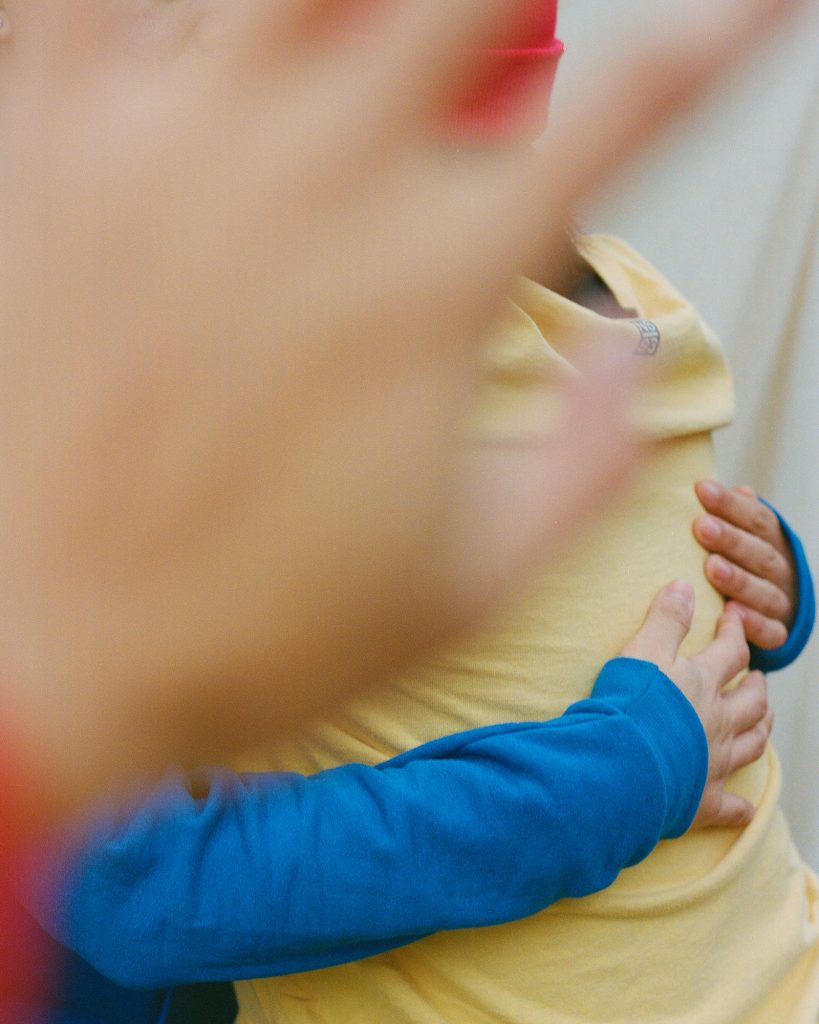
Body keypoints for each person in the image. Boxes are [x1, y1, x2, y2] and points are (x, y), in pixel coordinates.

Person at [0, 0, 812, 1017]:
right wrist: (619, 771)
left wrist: (764, 581)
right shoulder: (159, 366)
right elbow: (140, 882)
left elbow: (620, 544)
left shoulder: (587, 287)